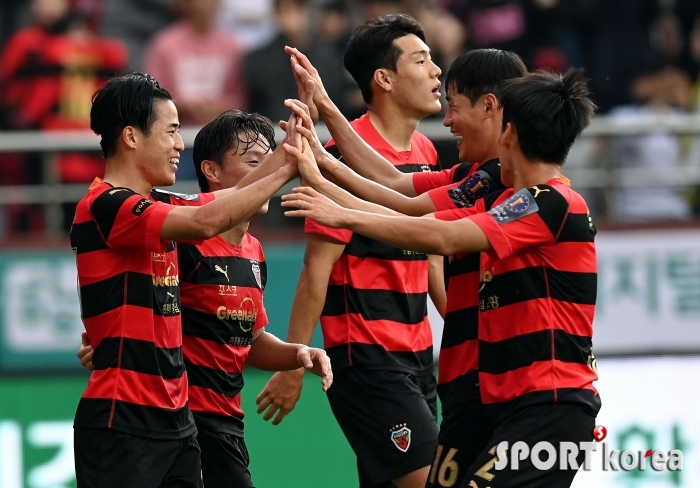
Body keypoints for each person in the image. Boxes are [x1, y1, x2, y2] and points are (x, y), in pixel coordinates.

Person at [283, 68, 601, 488]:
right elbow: (410, 208)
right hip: (499, 400)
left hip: (549, 403)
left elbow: (442, 234)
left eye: (454, 105)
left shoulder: (550, 202)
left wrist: (341, 212)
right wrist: (321, 168)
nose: (448, 122)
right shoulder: (502, 200)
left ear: (507, 133)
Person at [70, 73, 330, 488]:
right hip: (123, 418)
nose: (179, 145)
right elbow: (209, 220)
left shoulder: (164, 207)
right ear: (132, 136)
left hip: (179, 423)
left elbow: (230, 198)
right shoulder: (105, 203)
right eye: (172, 131)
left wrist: (294, 140)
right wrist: (289, 166)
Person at [256, 14, 445, 488]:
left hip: (421, 356)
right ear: (383, 78)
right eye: (421, 60)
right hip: (368, 359)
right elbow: (315, 270)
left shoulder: (426, 150)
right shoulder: (340, 160)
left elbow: (435, 258)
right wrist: (294, 363)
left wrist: (467, 334)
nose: (437, 71)